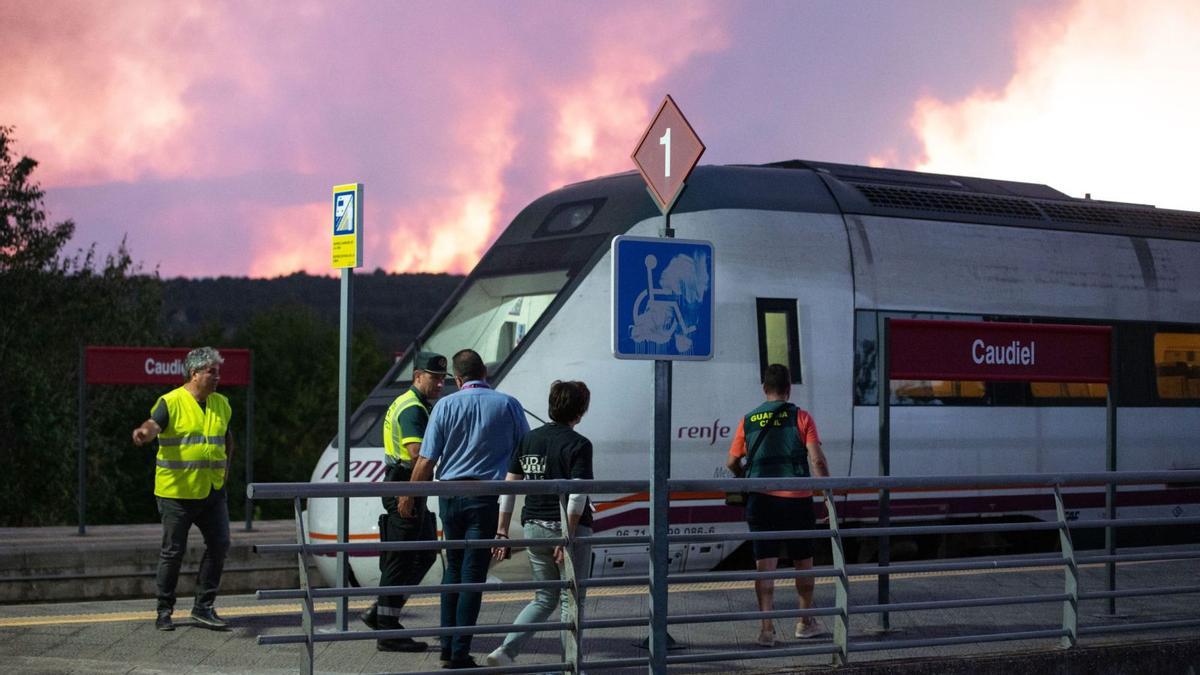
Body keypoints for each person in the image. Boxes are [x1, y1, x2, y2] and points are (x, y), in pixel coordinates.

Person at [399, 349, 530, 669]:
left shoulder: (444, 405)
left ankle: (447, 643)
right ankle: (459, 651)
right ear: (484, 372)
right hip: (485, 498)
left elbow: (427, 460)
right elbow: (525, 451)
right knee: (473, 573)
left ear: (457, 379)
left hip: (450, 497)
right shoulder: (508, 404)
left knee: (453, 570)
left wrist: (409, 496)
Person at [487, 381, 594, 668]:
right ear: (580, 411)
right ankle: (569, 666)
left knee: (544, 597)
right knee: (570, 602)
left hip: (533, 524)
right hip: (567, 529)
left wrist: (501, 529)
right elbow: (577, 495)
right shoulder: (579, 444)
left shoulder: (529, 440)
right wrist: (567, 537)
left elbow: (509, 489)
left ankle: (505, 652)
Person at [725, 363, 831, 647]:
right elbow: (817, 460)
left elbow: (732, 461)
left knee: (765, 567)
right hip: (797, 502)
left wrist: (743, 477)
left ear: (764, 389)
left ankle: (766, 630)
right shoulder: (801, 417)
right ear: (789, 388)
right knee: (803, 564)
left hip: (761, 502)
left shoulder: (747, 420)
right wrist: (826, 494)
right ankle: (805, 622)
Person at [131, 346, 234, 632]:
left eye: (218, 372)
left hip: (212, 492)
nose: (217, 378)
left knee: (220, 544)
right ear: (195, 373)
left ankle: (203, 607)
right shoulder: (171, 401)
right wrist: (143, 434)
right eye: (212, 372)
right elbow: (153, 425)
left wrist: (225, 474)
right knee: (173, 551)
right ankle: (164, 610)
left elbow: (227, 439)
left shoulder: (221, 403)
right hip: (176, 494)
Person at [363, 351, 447, 652]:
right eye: (433, 378)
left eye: (442, 379)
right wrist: (409, 493)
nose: (439, 384)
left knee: (423, 553)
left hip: (409, 484)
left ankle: (381, 614)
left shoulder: (415, 403)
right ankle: (387, 629)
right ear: (417, 376)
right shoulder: (413, 408)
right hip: (405, 484)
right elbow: (415, 453)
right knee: (400, 559)